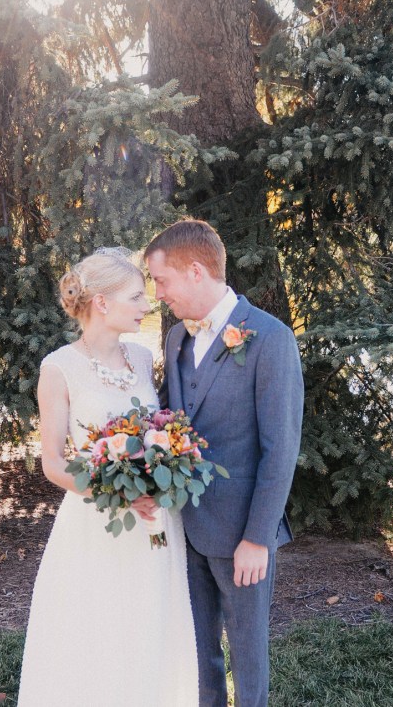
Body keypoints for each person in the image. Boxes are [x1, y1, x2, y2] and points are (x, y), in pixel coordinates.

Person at [17, 248, 199, 707]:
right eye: (135, 297)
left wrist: (160, 476)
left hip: (154, 523)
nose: (146, 305)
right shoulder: (58, 368)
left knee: (150, 627)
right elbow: (53, 462)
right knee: (97, 631)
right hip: (96, 523)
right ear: (101, 302)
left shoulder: (141, 356)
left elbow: (156, 431)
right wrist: (119, 494)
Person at [144, 220, 304, 707]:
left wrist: (257, 537)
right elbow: (169, 419)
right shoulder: (176, 338)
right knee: (199, 655)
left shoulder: (271, 339)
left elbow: (280, 449)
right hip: (184, 528)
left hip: (242, 535)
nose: (158, 294)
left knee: (248, 659)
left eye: (162, 280)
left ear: (195, 271)